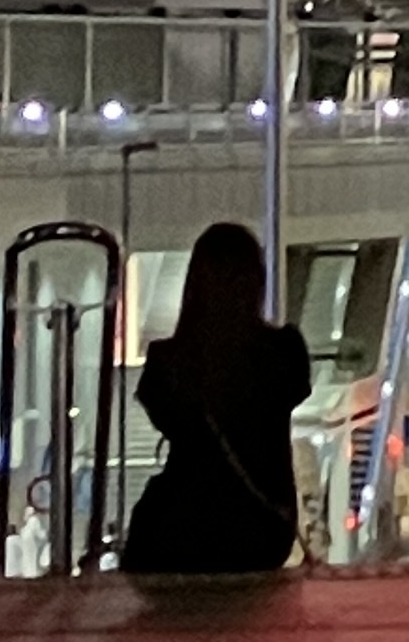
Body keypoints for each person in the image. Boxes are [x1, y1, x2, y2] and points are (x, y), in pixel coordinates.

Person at [118, 223, 313, 574]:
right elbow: (293, 392)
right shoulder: (284, 351)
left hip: (183, 523)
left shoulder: (169, 361)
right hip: (265, 525)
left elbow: (165, 414)